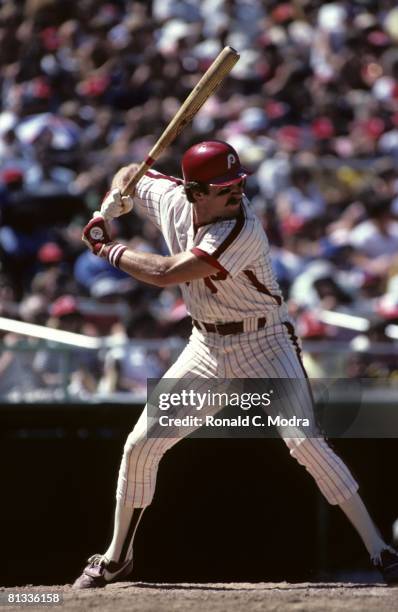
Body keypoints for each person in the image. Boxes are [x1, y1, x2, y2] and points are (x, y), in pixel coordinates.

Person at [73, 140, 398, 588]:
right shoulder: (173, 196)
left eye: (237, 182)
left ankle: (381, 552)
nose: (235, 192)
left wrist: (106, 247)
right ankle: (115, 557)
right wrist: (118, 194)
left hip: (265, 341)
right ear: (194, 191)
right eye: (223, 187)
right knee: (140, 446)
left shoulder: (240, 227)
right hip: (206, 345)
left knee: (305, 443)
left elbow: (167, 273)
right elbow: (132, 168)